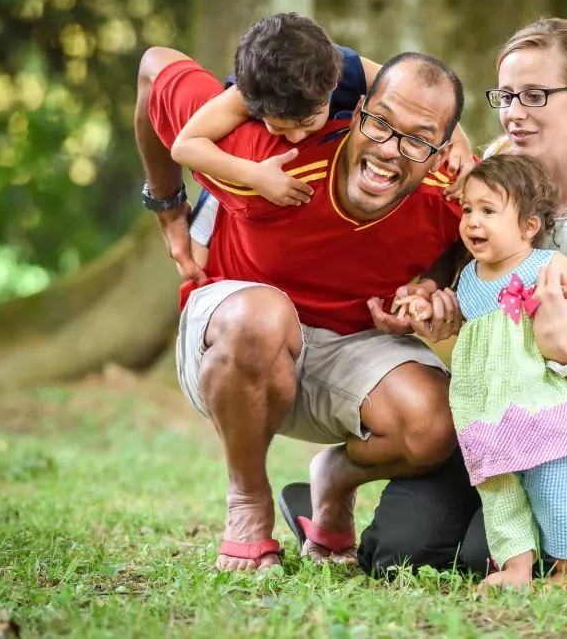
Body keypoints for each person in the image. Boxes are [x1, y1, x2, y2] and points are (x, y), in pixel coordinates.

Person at [354, 18, 567, 578]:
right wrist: (428, 310)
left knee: (499, 559)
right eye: (506, 95)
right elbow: (468, 302)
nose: (514, 112)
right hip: (494, 411)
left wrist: (563, 352)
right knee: (396, 555)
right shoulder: (490, 180)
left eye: (535, 96)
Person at [134, 43, 469, 571]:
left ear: (443, 151)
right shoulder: (263, 154)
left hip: (355, 345)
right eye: (380, 124)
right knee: (261, 317)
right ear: (356, 110)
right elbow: (155, 68)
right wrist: (168, 205)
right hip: (240, 335)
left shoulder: (453, 192)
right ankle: (247, 500)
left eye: (419, 141)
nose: (388, 150)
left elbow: (464, 244)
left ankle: (332, 483)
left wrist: (430, 286)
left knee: (435, 423)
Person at [397, 154, 567, 590]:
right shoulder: (468, 278)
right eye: (468, 209)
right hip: (484, 412)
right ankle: (517, 570)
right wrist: (423, 306)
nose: (472, 221)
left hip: (538, 405)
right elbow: (465, 332)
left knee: (556, 490)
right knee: (500, 499)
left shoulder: (545, 266)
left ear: (527, 226)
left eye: (488, 211)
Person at [169, 13, 474, 269]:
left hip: (333, 166)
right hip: (253, 170)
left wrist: (459, 140)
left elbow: (423, 93)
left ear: (332, 84)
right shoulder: (248, 96)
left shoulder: (347, 68)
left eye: (306, 123)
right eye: (279, 128)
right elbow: (185, 145)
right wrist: (253, 176)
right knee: (197, 261)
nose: (297, 137)